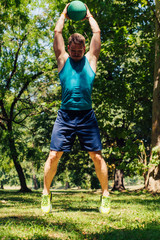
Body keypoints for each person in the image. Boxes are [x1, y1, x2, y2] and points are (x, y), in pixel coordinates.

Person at [41, 4, 110, 214]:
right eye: (75, 50)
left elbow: (97, 33)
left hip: (87, 115)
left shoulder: (91, 59)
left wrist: (88, 15)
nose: (78, 53)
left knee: (97, 156)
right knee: (54, 155)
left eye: (81, 50)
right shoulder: (63, 60)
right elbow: (57, 32)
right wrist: (63, 13)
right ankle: (46, 193)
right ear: (69, 49)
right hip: (65, 116)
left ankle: (105, 195)